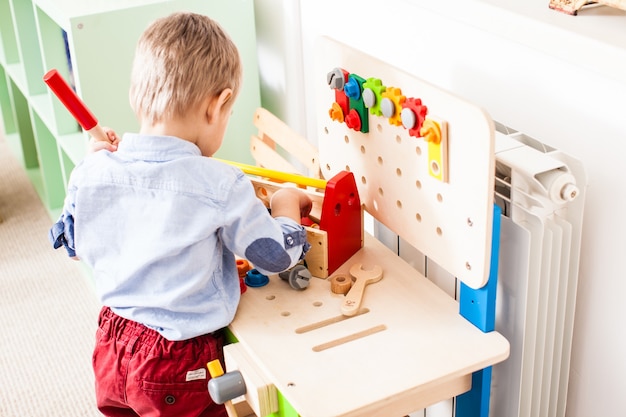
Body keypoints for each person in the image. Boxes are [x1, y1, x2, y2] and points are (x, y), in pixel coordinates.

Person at [49, 12, 311, 417]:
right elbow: (275, 257)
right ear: (218, 105)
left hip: (111, 342)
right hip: (177, 361)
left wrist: (91, 167)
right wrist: (286, 207)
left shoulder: (93, 170)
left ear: (136, 94)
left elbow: (73, 246)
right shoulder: (219, 183)